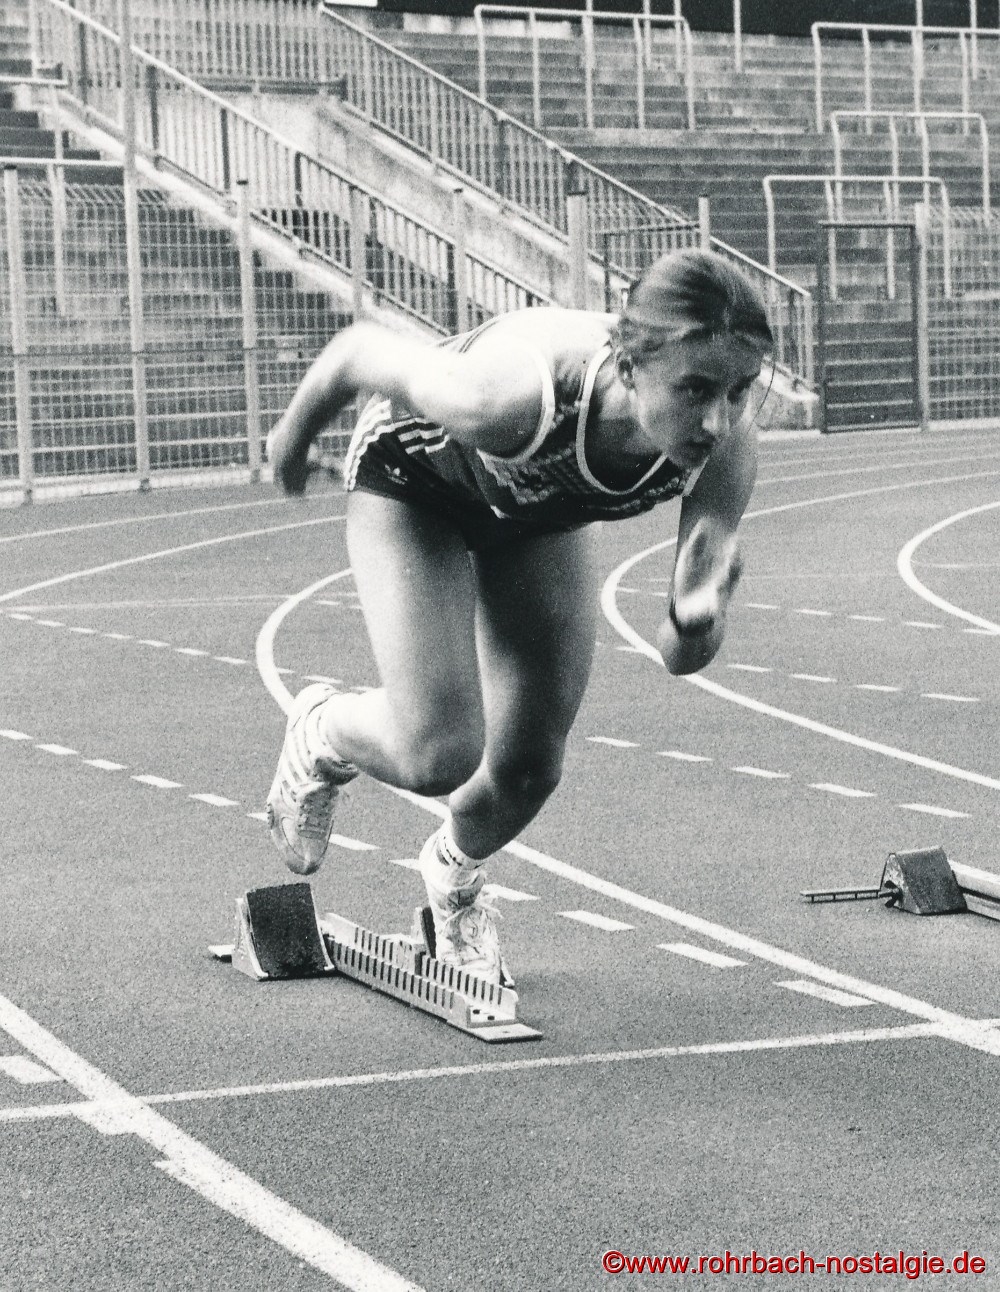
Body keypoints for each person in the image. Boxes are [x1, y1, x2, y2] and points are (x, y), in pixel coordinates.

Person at [264, 248, 773, 986]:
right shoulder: (509, 393)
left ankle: (454, 887)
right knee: (439, 753)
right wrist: (293, 438)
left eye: (739, 390)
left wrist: (697, 619)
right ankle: (321, 730)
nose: (716, 420)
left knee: (530, 768)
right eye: (695, 389)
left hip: (536, 513)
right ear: (629, 369)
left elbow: (678, 656)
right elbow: (358, 351)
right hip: (418, 482)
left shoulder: (724, 449)